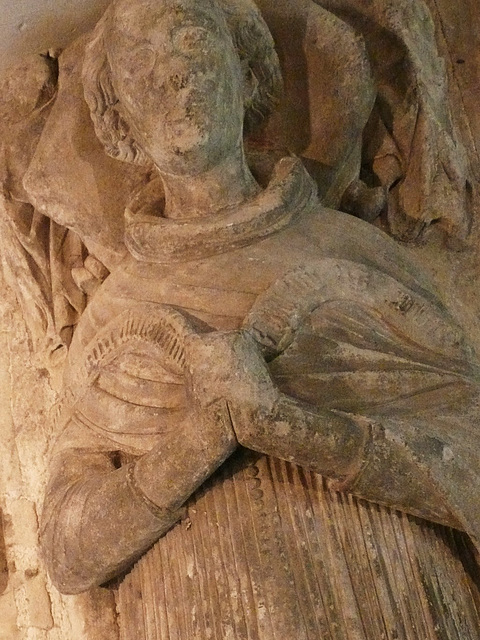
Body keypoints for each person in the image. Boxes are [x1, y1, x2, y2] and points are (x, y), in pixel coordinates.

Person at [41, 0, 480, 608]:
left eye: (189, 42)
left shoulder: (351, 252)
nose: (170, 75)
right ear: (118, 115)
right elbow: (67, 549)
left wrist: (288, 427)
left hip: (387, 593)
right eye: (139, 64)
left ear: (245, 72)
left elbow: (470, 460)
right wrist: (199, 439)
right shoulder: (114, 315)